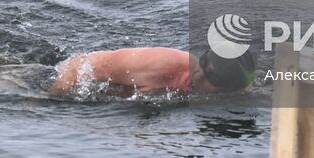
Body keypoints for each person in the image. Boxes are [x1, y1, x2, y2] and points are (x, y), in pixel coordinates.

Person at [49, 47, 255, 97]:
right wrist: (48, 100)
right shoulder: (162, 65)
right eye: (202, 63)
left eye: (212, 77)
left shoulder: (236, 91)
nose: (199, 75)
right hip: (55, 73)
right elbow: (78, 66)